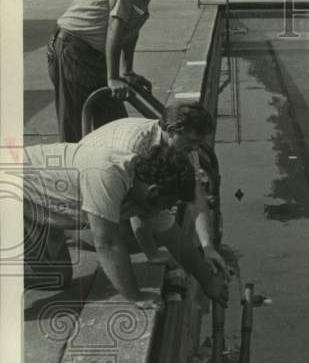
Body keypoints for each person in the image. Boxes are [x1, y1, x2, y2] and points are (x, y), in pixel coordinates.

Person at [22, 142, 227, 311]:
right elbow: (107, 244)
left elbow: (174, 237)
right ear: (153, 191)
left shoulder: (144, 183)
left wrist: (208, 283)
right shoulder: (108, 175)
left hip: (39, 205)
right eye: (169, 204)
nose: (167, 209)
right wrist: (135, 296)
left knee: (56, 277)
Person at [47, 0, 190, 142]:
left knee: (114, 126)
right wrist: (113, 77)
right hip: (73, 50)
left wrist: (127, 71)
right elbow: (116, 26)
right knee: (74, 128)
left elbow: (131, 29)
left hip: (96, 55)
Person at [78, 102, 227, 276]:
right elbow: (139, 201)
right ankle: (71, 231)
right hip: (86, 181)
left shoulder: (182, 147)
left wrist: (207, 246)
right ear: (171, 130)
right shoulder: (135, 146)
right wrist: (152, 253)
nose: (195, 148)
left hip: (111, 179)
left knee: (161, 227)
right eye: (192, 141)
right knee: (121, 240)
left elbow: (195, 195)